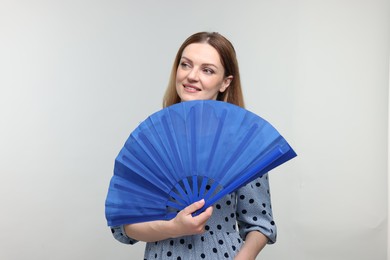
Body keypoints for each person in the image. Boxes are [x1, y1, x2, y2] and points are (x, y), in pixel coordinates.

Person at [110, 32, 276, 260]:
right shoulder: (152, 139)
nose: (192, 76)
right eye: (186, 65)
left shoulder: (240, 141)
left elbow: (260, 223)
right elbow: (123, 227)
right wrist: (173, 228)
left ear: (225, 82)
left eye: (207, 70)